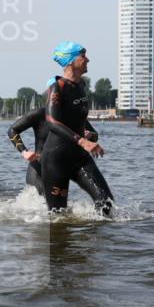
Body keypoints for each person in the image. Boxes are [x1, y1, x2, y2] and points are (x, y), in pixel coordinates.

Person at [40, 42, 114, 216]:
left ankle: (97, 242)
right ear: (71, 61)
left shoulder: (81, 86)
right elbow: (51, 121)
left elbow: (78, 118)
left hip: (79, 157)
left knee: (106, 204)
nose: (87, 59)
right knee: (58, 216)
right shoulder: (58, 87)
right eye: (83, 55)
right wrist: (82, 141)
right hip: (56, 159)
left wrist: (91, 134)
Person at [7, 96, 100, 197]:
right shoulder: (38, 114)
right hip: (39, 166)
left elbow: (95, 136)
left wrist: (89, 135)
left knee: (59, 208)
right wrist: (24, 152)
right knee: (40, 202)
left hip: (60, 168)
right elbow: (12, 130)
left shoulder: (74, 116)